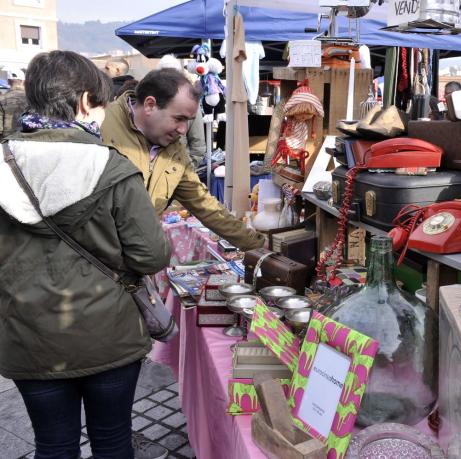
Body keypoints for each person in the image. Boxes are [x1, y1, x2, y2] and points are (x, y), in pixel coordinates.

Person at [0, 50, 171, 458]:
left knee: (53, 444)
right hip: (108, 336)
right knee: (112, 440)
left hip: (28, 338)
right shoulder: (111, 167)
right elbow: (150, 255)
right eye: (100, 103)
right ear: (82, 102)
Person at [101, 68, 265, 250]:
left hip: (134, 259)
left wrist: (256, 244)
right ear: (149, 105)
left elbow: (204, 205)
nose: (183, 129)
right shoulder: (99, 125)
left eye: (188, 120)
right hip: (93, 264)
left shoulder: (174, 149)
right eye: (179, 118)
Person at [157, 55, 206, 167]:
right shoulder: (153, 100)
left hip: (179, 170)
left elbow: (198, 145)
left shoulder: (190, 101)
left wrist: (185, 168)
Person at [0, 66, 28, 140]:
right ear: (23, 81)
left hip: (7, 140)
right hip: (27, 140)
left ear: (8, 81)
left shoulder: (1, 99)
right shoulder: (31, 99)